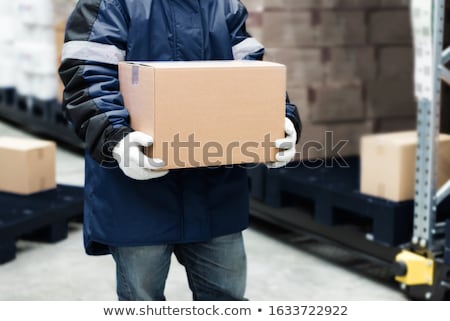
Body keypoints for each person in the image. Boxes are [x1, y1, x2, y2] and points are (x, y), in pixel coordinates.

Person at [59, 0, 301, 301]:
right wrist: (115, 139)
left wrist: (281, 118)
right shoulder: (111, 3)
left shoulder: (224, 6)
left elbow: (253, 74)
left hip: (215, 192)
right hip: (136, 193)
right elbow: (87, 77)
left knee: (225, 300)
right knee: (142, 302)